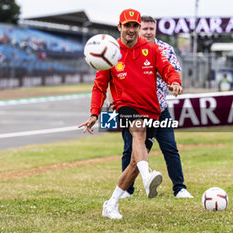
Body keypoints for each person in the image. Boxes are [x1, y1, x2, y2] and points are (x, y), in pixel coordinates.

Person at [79, 9, 183, 219]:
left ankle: (111, 203)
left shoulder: (151, 50)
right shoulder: (109, 52)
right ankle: (147, 177)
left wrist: (174, 82)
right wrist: (94, 114)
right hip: (124, 105)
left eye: (135, 25)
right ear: (119, 27)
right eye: (127, 25)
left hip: (152, 110)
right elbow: (99, 87)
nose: (131, 30)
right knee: (138, 130)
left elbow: (168, 69)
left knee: (135, 162)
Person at [119, 15, 193, 199]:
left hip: (160, 109)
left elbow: (173, 72)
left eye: (152, 29)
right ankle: (127, 191)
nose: (149, 32)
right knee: (130, 151)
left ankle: (180, 188)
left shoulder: (165, 49)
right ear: (138, 29)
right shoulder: (128, 49)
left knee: (170, 148)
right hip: (136, 110)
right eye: (145, 29)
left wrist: (173, 82)